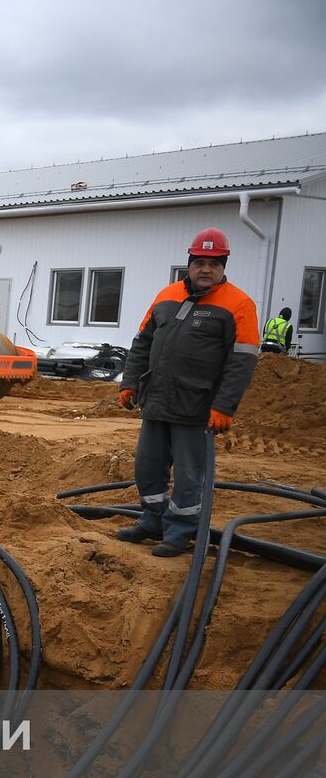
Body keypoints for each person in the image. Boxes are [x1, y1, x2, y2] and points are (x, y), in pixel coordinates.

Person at [117, 228, 260, 557]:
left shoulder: (238, 304)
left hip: (196, 407)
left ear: (224, 265)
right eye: (199, 262)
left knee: (188, 475)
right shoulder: (167, 296)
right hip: (156, 401)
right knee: (147, 467)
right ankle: (152, 520)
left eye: (213, 263)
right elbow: (142, 343)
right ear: (189, 264)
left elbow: (242, 362)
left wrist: (224, 406)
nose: (205, 269)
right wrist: (130, 382)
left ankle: (180, 532)